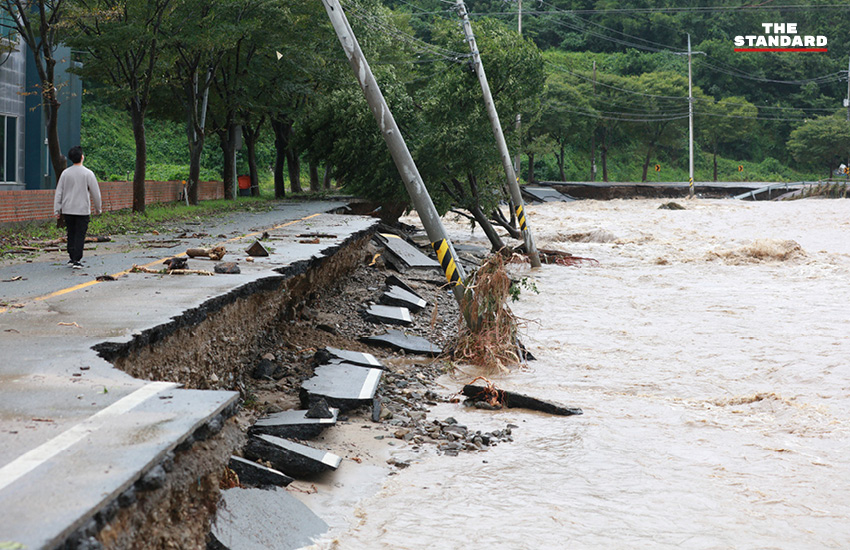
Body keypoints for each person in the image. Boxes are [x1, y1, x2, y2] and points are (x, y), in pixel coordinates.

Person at [53, 146, 102, 268]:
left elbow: (59, 192)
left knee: (71, 232)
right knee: (80, 234)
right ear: (82, 157)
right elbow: (96, 193)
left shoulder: (65, 173)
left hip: (68, 209)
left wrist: (57, 209)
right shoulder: (88, 173)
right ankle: (77, 259)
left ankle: (71, 256)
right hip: (82, 210)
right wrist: (98, 208)